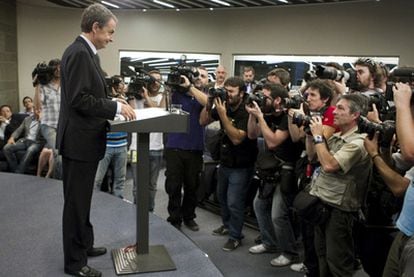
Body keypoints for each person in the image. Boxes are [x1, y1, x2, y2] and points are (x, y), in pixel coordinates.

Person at [56, 4, 135, 277]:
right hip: (79, 143)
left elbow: (89, 94)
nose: (112, 38)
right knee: (76, 204)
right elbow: (79, 99)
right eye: (110, 32)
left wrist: (113, 101)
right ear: (95, 28)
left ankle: (84, 244)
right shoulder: (79, 53)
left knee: (83, 201)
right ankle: (74, 264)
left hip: (84, 140)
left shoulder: (86, 54)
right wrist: (113, 108)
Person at [308, 94, 372, 277]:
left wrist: (319, 137)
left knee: (338, 263)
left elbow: (329, 165)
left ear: (355, 115)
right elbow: (314, 156)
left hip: (339, 210)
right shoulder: (336, 136)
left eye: (341, 108)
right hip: (322, 202)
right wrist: (310, 134)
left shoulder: (359, 142)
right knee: (322, 256)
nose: (334, 111)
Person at [201, 76, 258, 251]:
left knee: (235, 202)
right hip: (225, 161)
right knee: (223, 198)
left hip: (242, 164)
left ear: (242, 93)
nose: (228, 94)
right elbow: (202, 121)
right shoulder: (222, 104)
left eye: (231, 92)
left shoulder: (246, 110)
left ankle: (235, 236)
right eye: (226, 91)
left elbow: (236, 138)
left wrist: (223, 115)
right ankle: (227, 225)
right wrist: (209, 103)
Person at [246, 83, 301, 265]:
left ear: (278, 100)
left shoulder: (288, 117)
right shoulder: (268, 114)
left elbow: (273, 142)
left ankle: (289, 252)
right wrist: (253, 116)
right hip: (269, 170)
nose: (263, 100)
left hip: (286, 170)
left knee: (278, 215)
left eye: (266, 97)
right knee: (259, 206)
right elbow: (252, 135)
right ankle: (269, 242)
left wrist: (260, 117)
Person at [164, 66, 208, 231]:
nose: (199, 78)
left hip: (194, 148)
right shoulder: (176, 93)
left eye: (203, 76)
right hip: (174, 146)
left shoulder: (204, 96)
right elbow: (163, 108)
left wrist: (190, 87)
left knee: (192, 186)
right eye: (196, 74)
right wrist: (169, 89)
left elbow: (208, 104)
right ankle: (174, 218)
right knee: (173, 186)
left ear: (207, 80)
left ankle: (189, 216)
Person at [131, 70, 166, 211]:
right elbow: (132, 115)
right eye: (152, 79)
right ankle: (135, 212)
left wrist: (146, 97)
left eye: (158, 80)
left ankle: (149, 213)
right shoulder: (135, 97)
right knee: (137, 185)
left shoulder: (164, 97)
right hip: (136, 148)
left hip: (156, 147)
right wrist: (133, 91)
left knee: (151, 185)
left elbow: (160, 113)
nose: (155, 83)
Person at [94, 75, 129, 199]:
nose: (121, 86)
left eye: (122, 83)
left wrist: (121, 99)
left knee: (120, 179)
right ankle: (93, 203)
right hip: (106, 146)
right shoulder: (104, 101)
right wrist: (112, 99)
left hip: (122, 145)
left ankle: (117, 202)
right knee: (97, 179)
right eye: (118, 83)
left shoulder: (126, 100)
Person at [33, 58, 62, 179]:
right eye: (55, 67)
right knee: (59, 155)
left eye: (60, 67)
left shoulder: (67, 84)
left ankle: (54, 180)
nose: (58, 70)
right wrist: (37, 85)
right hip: (48, 125)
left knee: (60, 157)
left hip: (63, 125)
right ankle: (60, 184)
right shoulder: (45, 86)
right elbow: (38, 107)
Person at [3, 108, 44, 173]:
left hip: (37, 142)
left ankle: (19, 171)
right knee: (7, 148)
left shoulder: (45, 121)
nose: (38, 111)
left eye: (40, 109)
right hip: (25, 140)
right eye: (36, 109)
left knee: (30, 150)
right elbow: (19, 130)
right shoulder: (27, 119)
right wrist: (12, 137)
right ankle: (14, 169)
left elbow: (46, 133)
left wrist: (41, 120)